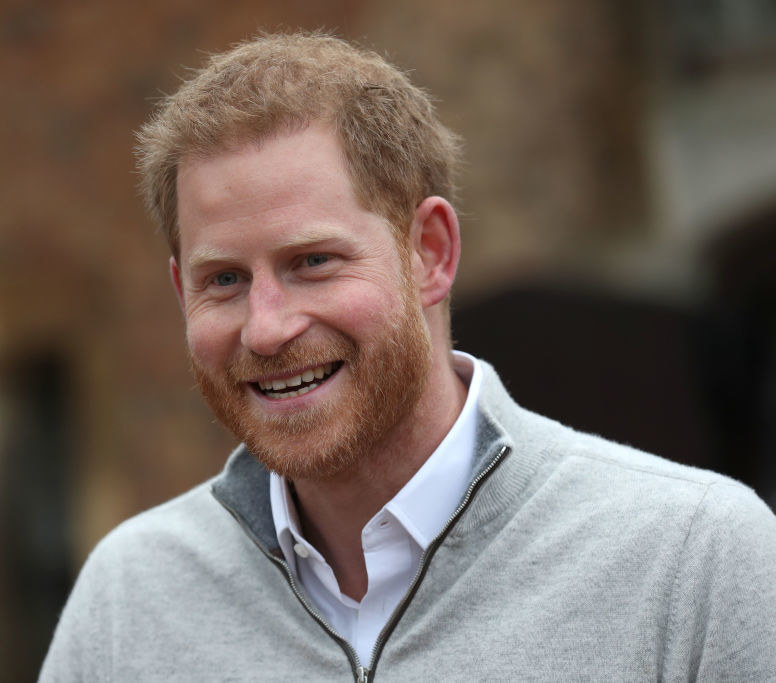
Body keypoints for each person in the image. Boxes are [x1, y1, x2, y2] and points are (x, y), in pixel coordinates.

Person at [40, 32, 776, 682]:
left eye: (313, 261)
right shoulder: (127, 600)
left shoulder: (695, 560)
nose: (265, 328)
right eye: (224, 279)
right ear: (181, 290)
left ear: (430, 253)